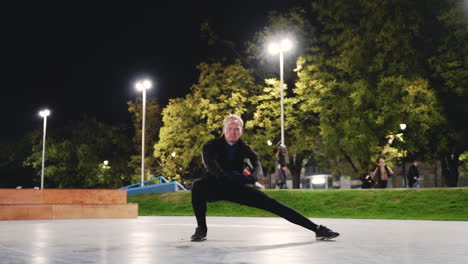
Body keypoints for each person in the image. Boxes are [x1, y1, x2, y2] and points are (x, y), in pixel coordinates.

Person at [190, 114, 339, 242]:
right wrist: (238, 177)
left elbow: (257, 168)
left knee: (273, 204)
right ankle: (201, 229)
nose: (233, 132)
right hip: (216, 185)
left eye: (237, 129)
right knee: (198, 186)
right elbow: (215, 169)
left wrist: (251, 178)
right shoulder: (210, 146)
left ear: (241, 131)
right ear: (223, 130)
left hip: (237, 187)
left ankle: (317, 229)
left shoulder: (245, 149)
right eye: (229, 128)